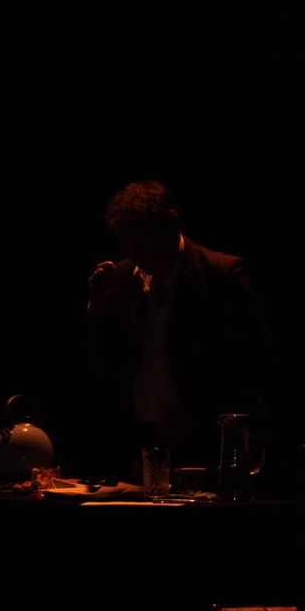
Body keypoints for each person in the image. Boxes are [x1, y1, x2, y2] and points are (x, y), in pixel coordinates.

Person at [81, 180, 273, 481]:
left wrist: (195, 417)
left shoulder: (220, 276)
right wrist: (98, 310)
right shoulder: (122, 278)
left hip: (206, 448)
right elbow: (103, 367)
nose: (133, 255)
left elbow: (249, 366)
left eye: (141, 245)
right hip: (140, 445)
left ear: (167, 233)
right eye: (126, 245)